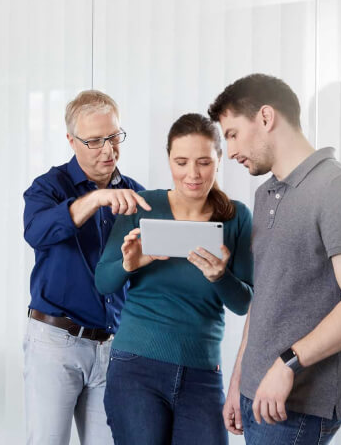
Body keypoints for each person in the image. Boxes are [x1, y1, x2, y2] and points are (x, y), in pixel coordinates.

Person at [208, 73, 341, 445]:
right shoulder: (266, 193)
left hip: (298, 404)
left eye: (233, 133)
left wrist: (288, 363)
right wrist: (241, 376)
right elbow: (265, 295)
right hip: (257, 395)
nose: (231, 150)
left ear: (266, 117)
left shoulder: (339, 189)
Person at [95, 113, 254, 445]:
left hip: (202, 373)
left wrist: (220, 276)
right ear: (168, 160)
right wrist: (129, 264)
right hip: (136, 367)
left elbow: (243, 303)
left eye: (203, 162)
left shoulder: (236, 217)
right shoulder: (143, 205)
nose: (192, 174)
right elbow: (103, 283)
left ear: (219, 160)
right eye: (181, 162)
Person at [23, 90, 150, 445]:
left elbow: (148, 277)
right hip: (56, 345)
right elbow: (36, 232)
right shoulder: (47, 188)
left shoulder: (136, 195)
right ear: (71, 140)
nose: (108, 151)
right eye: (94, 141)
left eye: (113, 137)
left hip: (113, 348)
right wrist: (95, 199)